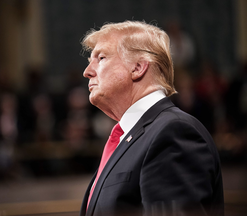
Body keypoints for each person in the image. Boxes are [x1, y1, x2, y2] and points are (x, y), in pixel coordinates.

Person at [80, 20, 224, 216]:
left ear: (138, 67)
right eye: (90, 61)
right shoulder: (130, 137)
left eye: (102, 57)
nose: (87, 72)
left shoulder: (173, 132)